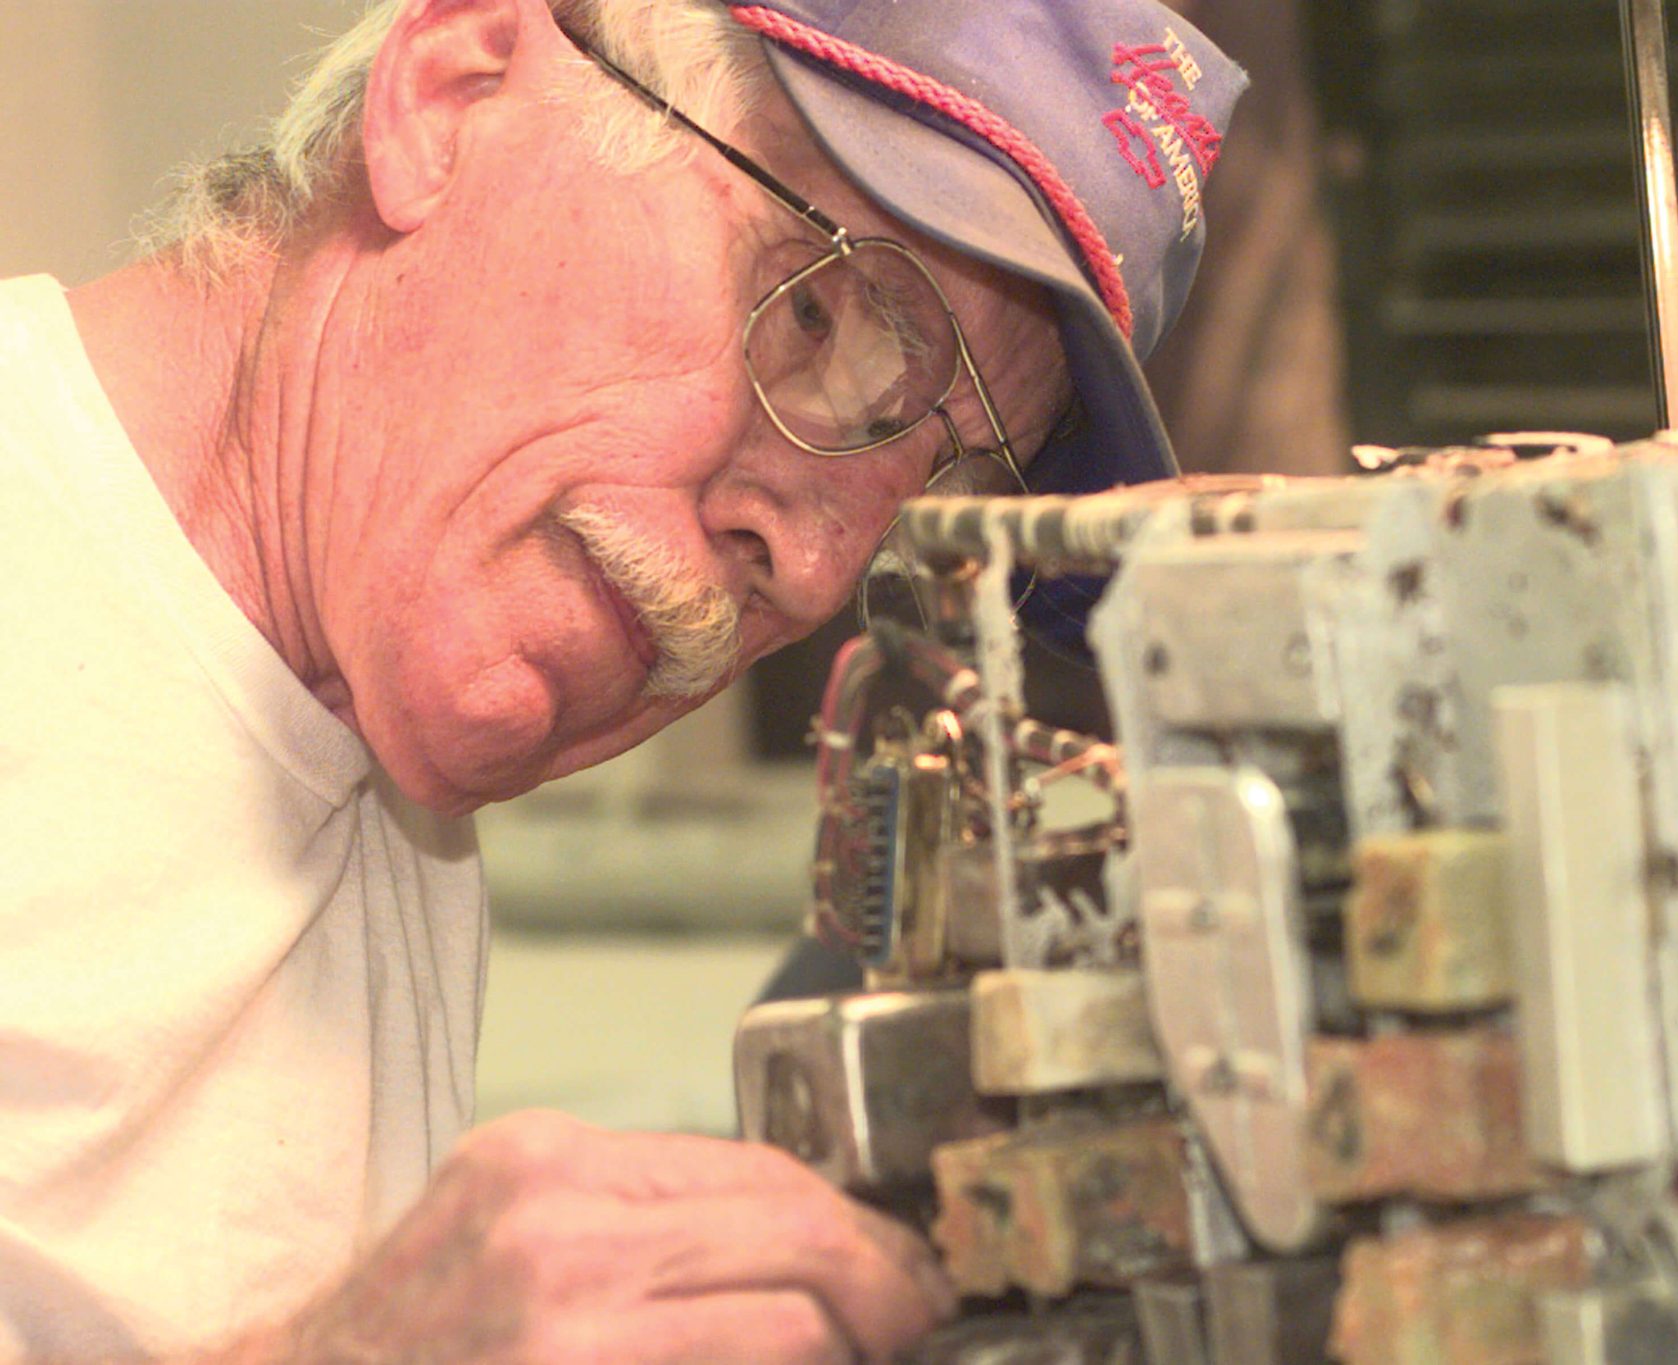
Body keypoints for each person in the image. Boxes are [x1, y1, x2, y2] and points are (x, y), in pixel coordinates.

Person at [0, 0, 1244, 1360]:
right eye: (818, 317)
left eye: (933, 479)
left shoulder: (371, 735)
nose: (818, 571)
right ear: (452, 93)